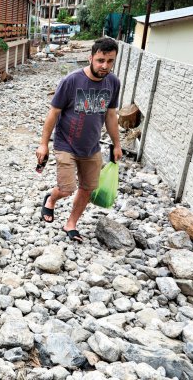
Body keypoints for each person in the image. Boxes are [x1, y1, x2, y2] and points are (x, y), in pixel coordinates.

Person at [35, 37, 122, 242]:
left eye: (110, 61)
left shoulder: (113, 83)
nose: (104, 66)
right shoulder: (72, 80)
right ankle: (51, 199)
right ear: (90, 57)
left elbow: (110, 115)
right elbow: (54, 112)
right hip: (66, 144)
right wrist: (43, 144)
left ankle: (71, 224)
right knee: (67, 188)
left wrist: (117, 144)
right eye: (100, 60)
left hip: (92, 147)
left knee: (87, 188)